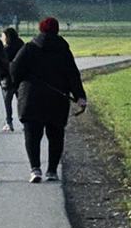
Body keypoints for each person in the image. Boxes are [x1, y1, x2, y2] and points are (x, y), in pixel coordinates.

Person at [10, 17, 87, 183]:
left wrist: (16, 88)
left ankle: (35, 169)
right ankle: (52, 170)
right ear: (57, 30)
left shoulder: (29, 48)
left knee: (32, 135)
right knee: (56, 135)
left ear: (40, 29)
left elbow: (14, 71)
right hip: (57, 99)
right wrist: (80, 97)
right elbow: (73, 75)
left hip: (31, 98)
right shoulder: (63, 50)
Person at [0, 27, 25, 132]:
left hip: (8, 79)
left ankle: (9, 122)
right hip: (21, 79)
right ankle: (24, 122)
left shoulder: (5, 50)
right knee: (21, 101)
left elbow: (2, 64)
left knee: (7, 102)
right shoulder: (22, 47)